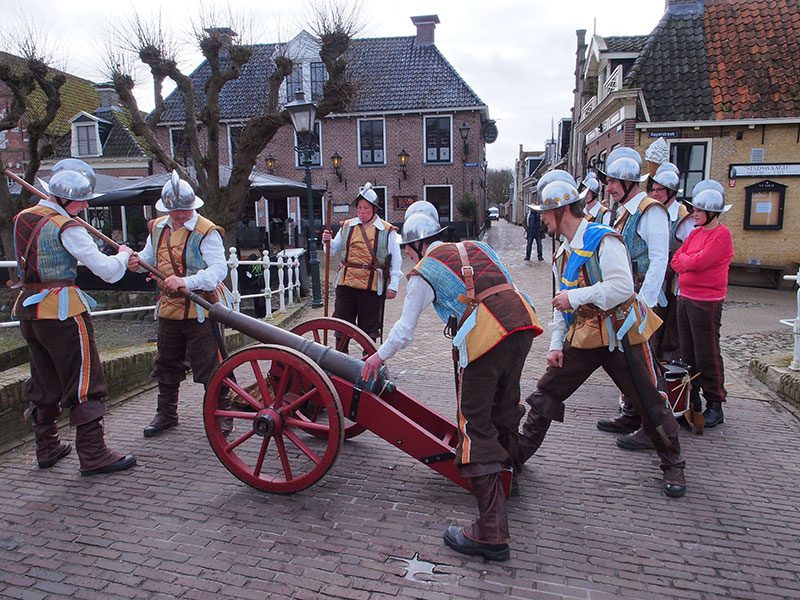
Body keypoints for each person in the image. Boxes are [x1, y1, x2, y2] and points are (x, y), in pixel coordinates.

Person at [361, 203, 543, 562]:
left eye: (409, 251)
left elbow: (404, 331)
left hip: (487, 338)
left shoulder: (425, 270)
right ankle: (510, 478)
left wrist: (376, 357)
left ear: (414, 247)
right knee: (503, 408)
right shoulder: (479, 247)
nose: (410, 257)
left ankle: (491, 532)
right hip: (521, 324)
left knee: (474, 426)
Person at [513, 177, 686, 498]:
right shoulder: (563, 253)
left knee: (649, 399)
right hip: (587, 334)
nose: (541, 220)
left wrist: (575, 299)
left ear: (562, 210)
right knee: (548, 390)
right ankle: (519, 454)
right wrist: (554, 345)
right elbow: (560, 306)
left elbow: (622, 288)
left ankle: (673, 463)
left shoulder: (603, 240)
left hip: (622, 335)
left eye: (545, 214)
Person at [12, 159, 137, 476]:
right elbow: (108, 272)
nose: (85, 206)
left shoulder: (23, 218)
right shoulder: (67, 226)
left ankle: (47, 446)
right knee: (85, 382)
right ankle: (93, 454)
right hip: (62, 311)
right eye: (82, 201)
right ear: (67, 198)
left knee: (45, 380)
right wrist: (122, 254)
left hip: (29, 310)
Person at [129, 171, 233, 438]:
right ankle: (166, 414)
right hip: (168, 308)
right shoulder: (158, 228)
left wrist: (188, 280)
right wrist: (135, 263)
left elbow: (219, 269)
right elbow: (149, 259)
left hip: (202, 308)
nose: (180, 215)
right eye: (175, 210)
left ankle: (222, 413)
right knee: (166, 363)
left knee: (211, 365)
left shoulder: (207, 231)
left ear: (192, 206)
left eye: (185, 210)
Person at [594, 148, 670, 448]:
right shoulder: (622, 212)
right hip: (624, 296)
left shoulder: (651, 211)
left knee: (645, 364)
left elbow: (659, 259)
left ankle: (655, 427)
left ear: (628, 183)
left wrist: (644, 304)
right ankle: (631, 412)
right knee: (627, 361)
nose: (608, 187)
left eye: (613, 182)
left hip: (639, 299)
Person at [672, 182, 734, 428]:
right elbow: (677, 259)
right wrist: (689, 261)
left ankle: (715, 403)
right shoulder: (696, 233)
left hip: (706, 302)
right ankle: (692, 399)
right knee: (687, 353)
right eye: (693, 209)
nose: (693, 213)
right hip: (685, 297)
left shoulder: (721, 235)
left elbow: (700, 262)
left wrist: (688, 261)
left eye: (698, 210)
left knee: (706, 352)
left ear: (712, 212)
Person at [322, 183, 402, 344]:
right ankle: (340, 359)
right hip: (346, 283)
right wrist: (327, 242)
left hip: (371, 286)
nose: (362, 212)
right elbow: (332, 251)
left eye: (365, 208)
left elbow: (396, 259)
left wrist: (393, 285)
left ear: (374, 209)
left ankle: (369, 361)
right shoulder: (346, 226)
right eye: (359, 208)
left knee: (369, 327)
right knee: (342, 324)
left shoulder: (387, 230)